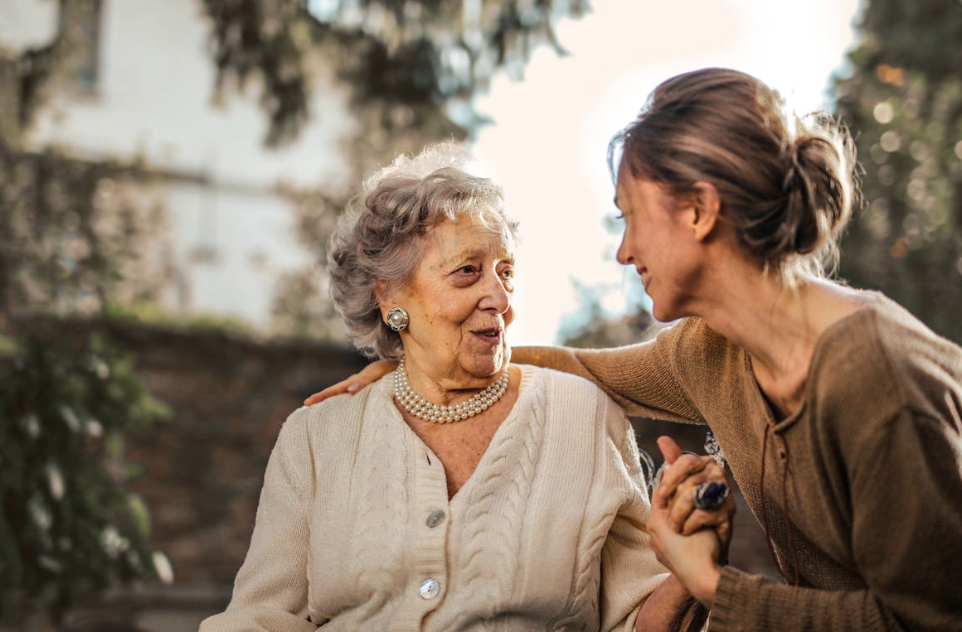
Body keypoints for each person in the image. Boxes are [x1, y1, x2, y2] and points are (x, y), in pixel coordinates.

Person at [306, 69, 962, 631]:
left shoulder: (877, 382)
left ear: (699, 211)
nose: (624, 252)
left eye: (630, 216)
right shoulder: (712, 352)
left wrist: (711, 584)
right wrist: (418, 357)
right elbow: (581, 368)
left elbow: (927, 621)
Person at [200, 142, 727, 631]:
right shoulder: (316, 437)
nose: (500, 298)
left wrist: (691, 572)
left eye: (506, 272)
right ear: (390, 297)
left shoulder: (583, 416)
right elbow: (259, 618)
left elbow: (638, 620)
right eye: (468, 272)